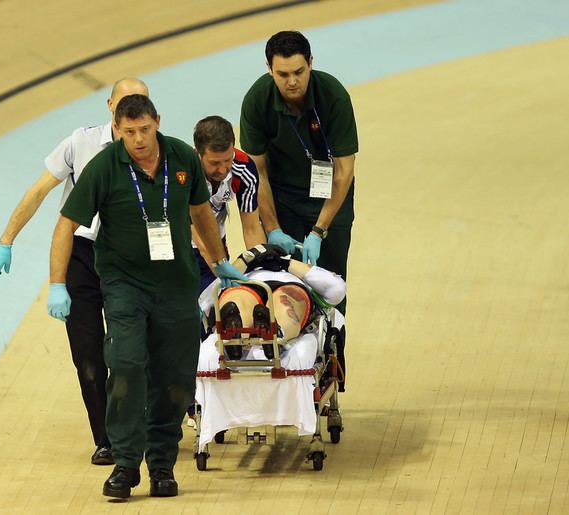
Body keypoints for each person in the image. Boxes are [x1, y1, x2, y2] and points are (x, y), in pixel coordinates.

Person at [46, 94, 247, 499]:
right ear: (118, 129)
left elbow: (201, 214)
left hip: (176, 286)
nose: (138, 139)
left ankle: (161, 465)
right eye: (129, 131)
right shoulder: (104, 168)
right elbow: (66, 223)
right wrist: (57, 282)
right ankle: (124, 464)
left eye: (145, 129)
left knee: (173, 376)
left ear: (158, 121)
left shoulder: (183, 159)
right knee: (126, 363)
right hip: (125, 287)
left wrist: (220, 261)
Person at [0, 78, 149, 466]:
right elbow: (39, 190)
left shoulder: (152, 147)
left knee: (128, 351)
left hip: (128, 258)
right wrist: (6, 239)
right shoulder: (80, 143)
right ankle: (106, 438)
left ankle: (137, 424)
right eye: (124, 103)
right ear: (110, 104)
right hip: (80, 256)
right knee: (89, 357)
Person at [239, 30, 358, 389]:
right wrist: (272, 227)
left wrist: (320, 230)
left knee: (331, 287)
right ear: (269, 70)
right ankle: (287, 374)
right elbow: (255, 172)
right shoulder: (258, 100)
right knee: (284, 284)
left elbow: (344, 170)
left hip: (330, 202)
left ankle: (330, 370)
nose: (292, 82)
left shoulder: (332, 95)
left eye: (298, 72)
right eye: (283, 74)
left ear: (310, 64)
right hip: (281, 198)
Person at [195, 244, 346, 447]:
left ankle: (249, 333)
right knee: (241, 298)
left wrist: (285, 263)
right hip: (246, 284)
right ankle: (267, 332)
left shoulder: (299, 275)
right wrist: (245, 262)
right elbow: (208, 295)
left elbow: (336, 288)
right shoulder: (240, 272)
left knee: (282, 299)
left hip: (269, 285)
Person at [191, 116, 266, 292]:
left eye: (227, 160)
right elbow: (196, 232)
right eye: (214, 163)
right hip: (181, 245)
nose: (223, 169)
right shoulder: (185, 171)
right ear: (198, 154)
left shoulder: (244, 168)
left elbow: (252, 228)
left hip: (215, 242)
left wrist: (261, 270)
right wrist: (219, 267)